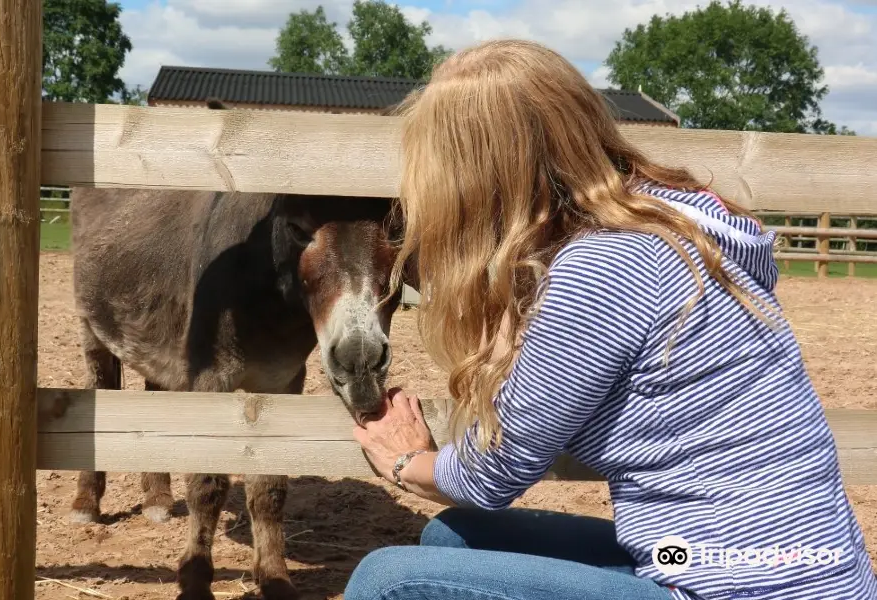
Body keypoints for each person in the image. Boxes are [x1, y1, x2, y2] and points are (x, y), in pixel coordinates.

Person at [345, 39, 876, 600]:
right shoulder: (677, 214)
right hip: (734, 555)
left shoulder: (603, 268)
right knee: (456, 539)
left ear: (479, 178)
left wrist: (405, 460)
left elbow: (490, 475)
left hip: (731, 587)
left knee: (386, 582)